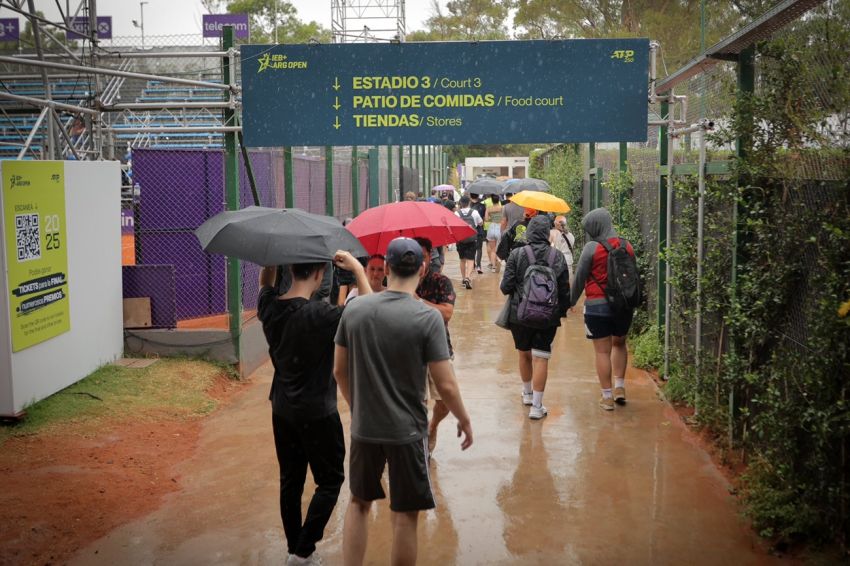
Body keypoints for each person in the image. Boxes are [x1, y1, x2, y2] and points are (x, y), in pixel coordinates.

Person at [334, 237, 473, 566]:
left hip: (365, 428)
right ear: (422, 267)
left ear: (389, 269)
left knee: (358, 503)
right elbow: (446, 384)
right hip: (408, 432)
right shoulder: (427, 319)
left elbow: (339, 370)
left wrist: (358, 408)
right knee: (406, 516)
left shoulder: (355, 310)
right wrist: (463, 419)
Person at [257, 251, 372, 566]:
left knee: (290, 481)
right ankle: (302, 551)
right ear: (321, 274)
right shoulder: (325, 316)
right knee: (331, 480)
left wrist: (271, 258)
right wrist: (358, 269)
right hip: (318, 411)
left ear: (291, 270)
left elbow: (265, 282)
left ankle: (296, 548)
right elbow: (369, 311)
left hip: (281, 408)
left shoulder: (269, 308)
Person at [500, 216, 570, 420]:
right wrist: (561, 311)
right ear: (547, 234)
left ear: (529, 232)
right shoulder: (557, 256)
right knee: (541, 357)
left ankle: (527, 394)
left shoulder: (517, 254)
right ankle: (537, 407)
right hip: (547, 315)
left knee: (524, 354)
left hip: (519, 314)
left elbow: (505, 287)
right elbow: (564, 290)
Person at [570, 207, 637, 411]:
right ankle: (619, 387)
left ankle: (607, 397)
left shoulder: (592, 248)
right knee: (619, 344)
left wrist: (570, 302)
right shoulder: (627, 246)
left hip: (597, 306)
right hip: (623, 306)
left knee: (602, 351)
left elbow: (580, 278)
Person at [414, 237, 456, 455]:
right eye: (413, 258)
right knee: (416, 403)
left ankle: (433, 426)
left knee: (446, 401)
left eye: (422, 257)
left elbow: (447, 313)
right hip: (410, 352)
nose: (419, 263)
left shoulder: (441, 281)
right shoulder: (398, 281)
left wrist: (418, 301)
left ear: (430, 256)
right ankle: (419, 441)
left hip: (438, 348)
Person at [455, 195, 483, 289]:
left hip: (460, 240)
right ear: (469, 203)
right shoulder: (474, 212)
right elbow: (480, 223)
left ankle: (463, 279)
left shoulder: (457, 213)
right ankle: (468, 277)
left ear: (461, 203)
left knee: (462, 260)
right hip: (472, 239)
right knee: (470, 260)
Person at [549, 215, 576, 284]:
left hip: (557, 260)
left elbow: (550, 248)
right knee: (569, 282)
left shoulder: (552, 233)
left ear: (556, 224)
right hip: (568, 260)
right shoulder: (571, 236)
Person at [469, 193, 488, 275]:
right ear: (477, 196)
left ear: (470, 196)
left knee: (472, 248)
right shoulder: (483, 206)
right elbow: (484, 219)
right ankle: (479, 266)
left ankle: (472, 265)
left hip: (470, 231)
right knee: (479, 248)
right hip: (480, 230)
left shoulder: (468, 206)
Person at [484, 194, 503, 272]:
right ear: (498, 200)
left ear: (492, 201)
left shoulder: (489, 208)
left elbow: (486, 219)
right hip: (500, 227)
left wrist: (491, 218)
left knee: (492, 250)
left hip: (491, 228)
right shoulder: (502, 208)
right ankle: (498, 260)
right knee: (500, 248)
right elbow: (505, 217)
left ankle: (493, 267)